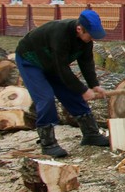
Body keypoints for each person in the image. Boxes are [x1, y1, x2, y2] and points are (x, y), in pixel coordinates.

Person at [15, 9, 110, 158]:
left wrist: (94, 85)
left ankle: (91, 134)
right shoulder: (60, 34)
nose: (92, 39)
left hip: (51, 63)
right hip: (30, 60)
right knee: (45, 98)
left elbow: (86, 62)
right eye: (90, 35)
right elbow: (62, 68)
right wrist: (83, 90)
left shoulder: (86, 41)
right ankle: (48, 143)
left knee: (71, 94)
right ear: (79, 29)